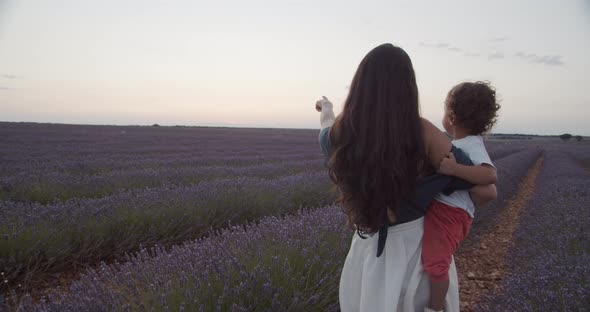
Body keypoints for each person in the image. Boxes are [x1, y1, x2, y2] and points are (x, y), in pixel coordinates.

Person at [314, 43, 496, 312]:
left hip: (366, 252)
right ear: (408, 89)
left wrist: (326, 106)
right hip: (415, 253)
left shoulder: (339, 135)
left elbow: (326, 125)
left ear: (359, 87)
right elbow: (484, 185)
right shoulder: (423, 132)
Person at [422, 82, 500, 312]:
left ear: (452, 117)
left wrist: (455, 170)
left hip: (451, 214)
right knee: (432, 256)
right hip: (446, 211)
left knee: (436, 263)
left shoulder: (471, 145)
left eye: (445, 110)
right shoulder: (458, 144)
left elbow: (490, 175)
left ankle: (435, 307)